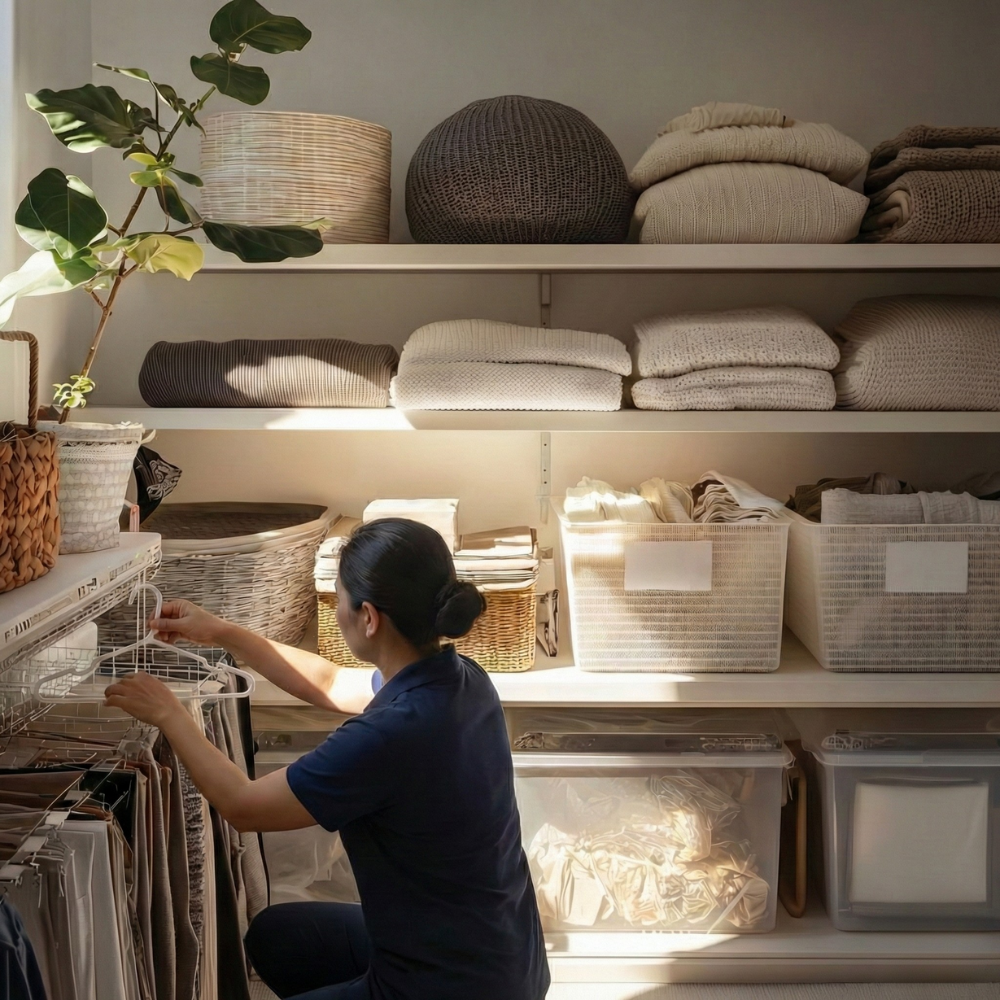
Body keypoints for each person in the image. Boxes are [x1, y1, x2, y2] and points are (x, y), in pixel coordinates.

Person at [105, 518, 550, 1000]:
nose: (334, 610)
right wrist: (223, 633)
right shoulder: (462, 678)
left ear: (369, 618)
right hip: (501, 954)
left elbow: (242, 805)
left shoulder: (388, 736)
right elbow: (333, 683)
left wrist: (170, 714)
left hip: (450, 986)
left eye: (338, 598)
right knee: (277, 937)